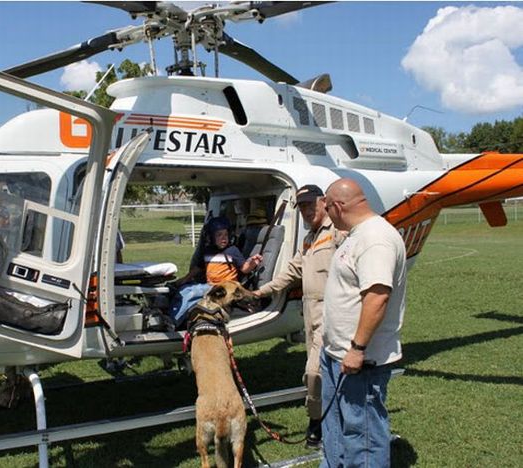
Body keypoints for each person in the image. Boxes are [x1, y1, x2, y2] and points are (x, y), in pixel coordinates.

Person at [320, 178, 406, 468]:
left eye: (327, 207)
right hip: (336, 354)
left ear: (339, 206)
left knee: (364, 433)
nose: (326, 215)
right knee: (335, 426)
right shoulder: (357, 234)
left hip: (359, 361)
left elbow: (377, 296)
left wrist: (357, 349)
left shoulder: (375, 238)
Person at [252, 184, 344, 449]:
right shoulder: (309, 237)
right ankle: (327, 420)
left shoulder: (336, 231)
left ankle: (316, 423)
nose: (305, 211)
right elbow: (293, 270)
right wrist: (262, 292)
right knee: (323, 371)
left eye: (309, 205)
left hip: (330, 310)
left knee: (313, 373)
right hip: (309, 312)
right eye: (301, 207)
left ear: (323, 202)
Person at [169, 216, 263, 327]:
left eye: (226, 235)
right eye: (219, 235)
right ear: (211, 237)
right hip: (209, 285)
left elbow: (244, 268)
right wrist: (185, 279)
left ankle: (173, 322)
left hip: (223, 288)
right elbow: (198, 268)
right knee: (185, 289)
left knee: (191, 293)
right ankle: (172, 314)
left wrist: (253, 262)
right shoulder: (208, 251)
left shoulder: (232, 250)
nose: (224, 238)